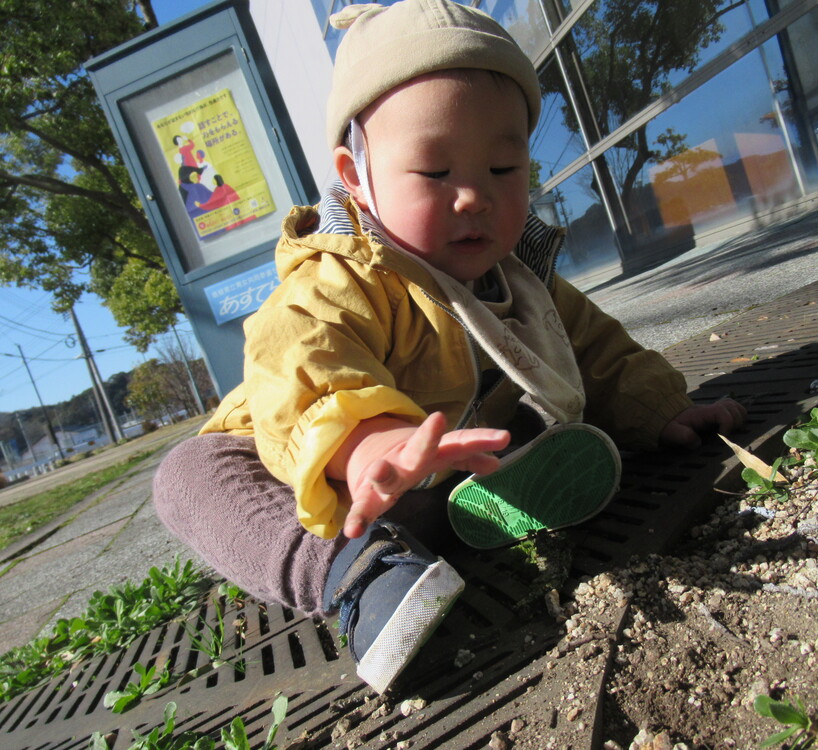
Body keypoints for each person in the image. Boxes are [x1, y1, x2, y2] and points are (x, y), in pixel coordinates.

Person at [153, 0, 745, 695]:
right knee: (187, 475)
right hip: (318, 480)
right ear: (356, 175)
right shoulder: (344, 276)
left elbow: (593, 347)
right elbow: (301, 360)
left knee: (552, 382)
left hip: (440, 475)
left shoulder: (521, 280)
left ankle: (500, 482)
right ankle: (357, 576)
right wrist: (367, 442)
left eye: (502, 168)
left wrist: (657, 406)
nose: (474, 198)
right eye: (435, 174)